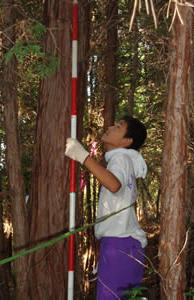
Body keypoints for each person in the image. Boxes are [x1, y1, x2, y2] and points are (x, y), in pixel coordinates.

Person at [65, 115, 147, 300]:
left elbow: (113, 184)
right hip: (126, 246)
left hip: (120, 245)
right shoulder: (124, 160)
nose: (110, 126)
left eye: (118, 126)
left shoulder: (120, 159)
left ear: (127, 141)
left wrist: (82, 156)